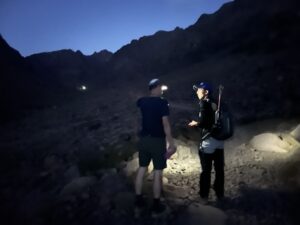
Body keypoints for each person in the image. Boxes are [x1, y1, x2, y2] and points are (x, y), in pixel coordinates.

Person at [135, 78, 176, 215]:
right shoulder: (162, 103)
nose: (161, 90)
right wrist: (171, 143)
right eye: (160, 88)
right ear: (157, 87)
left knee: (142, 168)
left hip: (143, 140)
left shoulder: (142, 101)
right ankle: (156, 204)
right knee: (158, 172)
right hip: (157, 141)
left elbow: (139, 102)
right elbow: (166, 125)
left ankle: (138, 200)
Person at [188, 82, 225, 204]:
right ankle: (220, 194)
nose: (197, 92)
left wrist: (196, 123)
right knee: (219, 169)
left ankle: (204, 196)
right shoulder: (216, 102)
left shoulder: (204, 103)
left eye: (199, 90)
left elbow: (205, 123)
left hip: (208, 141)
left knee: (206, 170)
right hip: (219, 141)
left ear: (206, 92)